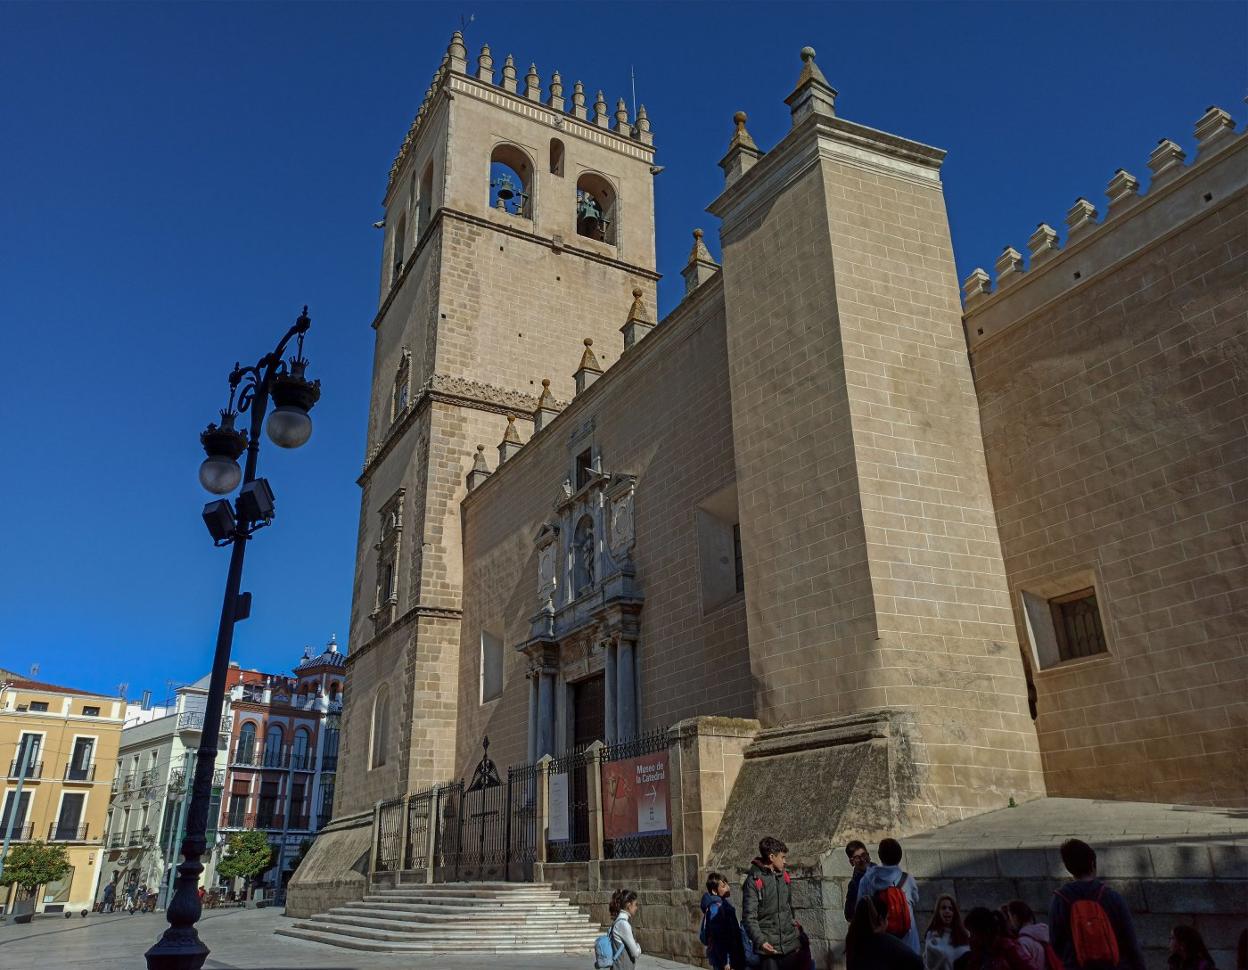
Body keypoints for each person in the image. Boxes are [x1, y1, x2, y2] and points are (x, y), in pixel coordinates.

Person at [1049, 839, 1146, 970]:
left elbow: (1056, 943)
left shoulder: (1060, 900)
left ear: (1068, 868)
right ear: (1093, 863)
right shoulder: (1112, 897)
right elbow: (1131, 942)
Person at [742, 836, 802, 970]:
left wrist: (795, 932)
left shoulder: (784, 876)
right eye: (782, 857)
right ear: (771, 857)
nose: (785, 861)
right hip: (769, 950)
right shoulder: (754, 881)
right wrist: (761, 941)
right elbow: (749, 917)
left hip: (790, 946)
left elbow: (789, 908)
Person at [856, 837, 921, 954]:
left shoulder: (867, 880)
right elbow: (915, 900)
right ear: (899, 856)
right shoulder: (908, 880)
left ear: (880, 855)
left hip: (881, 945)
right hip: (909, 945)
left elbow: (860, 909)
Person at [846, 896, 923, 970]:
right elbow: (917, 963)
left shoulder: (852, 942)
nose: (887, 923)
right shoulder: (886, 943)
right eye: (887, 918)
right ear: (880, 919)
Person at [701, 872, 745, 970]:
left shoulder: (724, 904)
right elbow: (718, 938)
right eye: (723, 886)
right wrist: (726, 961)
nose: (728, 888)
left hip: (731, 956)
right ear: (714, 891)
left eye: (727, 884)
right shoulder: (715, 908)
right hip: (725, 959)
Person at [964, 907, 1031, 970]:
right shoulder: (979, 953)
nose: (970, 937)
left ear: (984, 931)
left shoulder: (1009, 948)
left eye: (972, 933)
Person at [923, 894, 971, 970]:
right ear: (938, 912)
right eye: (943, 908)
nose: (947, 911)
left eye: (950, 909)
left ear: (954, 913)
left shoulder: (965, 934)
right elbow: (928, 964)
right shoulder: (931, 935)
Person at [1003, 900, 1053, 970]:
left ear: (1015, 917)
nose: (1010, 922)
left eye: (1010, 917)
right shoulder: (1046, 930)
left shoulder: (1023, 942)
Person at [608, 888, 642, 969]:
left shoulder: (618, 921)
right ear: (629, 905)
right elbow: (636, 953)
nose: (636, 908)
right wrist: (638, 946)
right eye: (635, 904)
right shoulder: (623, 924)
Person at [844, 840, 875, 922]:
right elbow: (849, 914)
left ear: (868, 855)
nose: (862, 859)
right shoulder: (854, 884)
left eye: (864, 855)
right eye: (857, 858)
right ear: (852, 862)